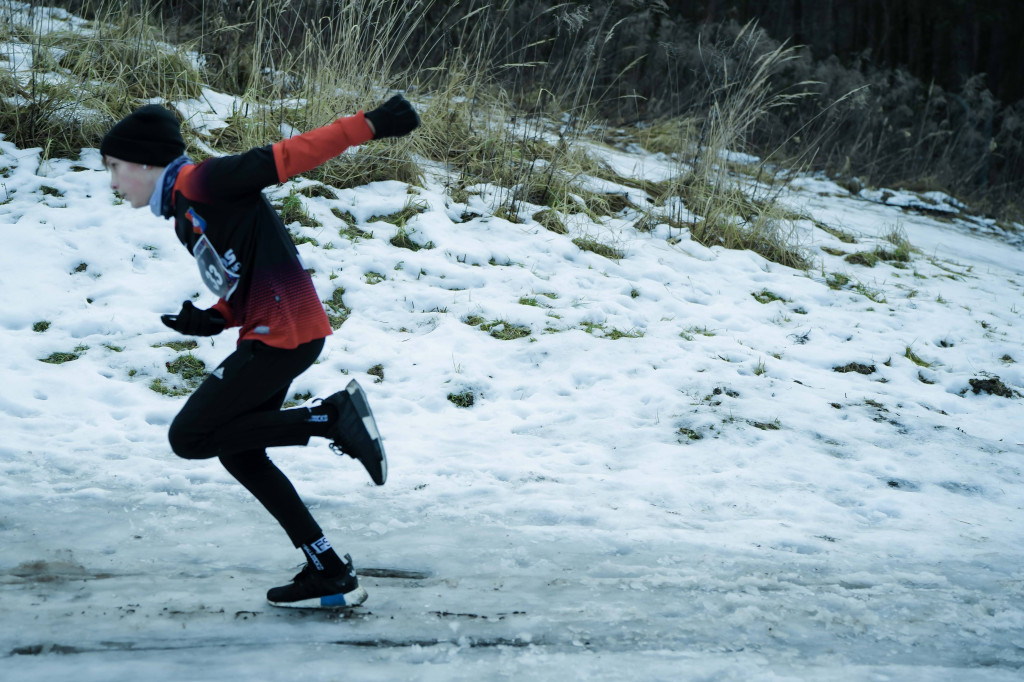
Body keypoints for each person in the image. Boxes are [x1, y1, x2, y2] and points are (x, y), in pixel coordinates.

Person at [100, 97, 419, 608]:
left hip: (283, 334)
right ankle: (328, 568)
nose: (112, 182)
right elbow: (245, 274)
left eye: (115, 168)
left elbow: (287, 155)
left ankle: (329, 418)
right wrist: (215, 317)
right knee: (240, 451)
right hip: (275, 331)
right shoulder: (186, 212)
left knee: (190, 437)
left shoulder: (201, 183)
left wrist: (371, 124)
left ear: (144, 162)